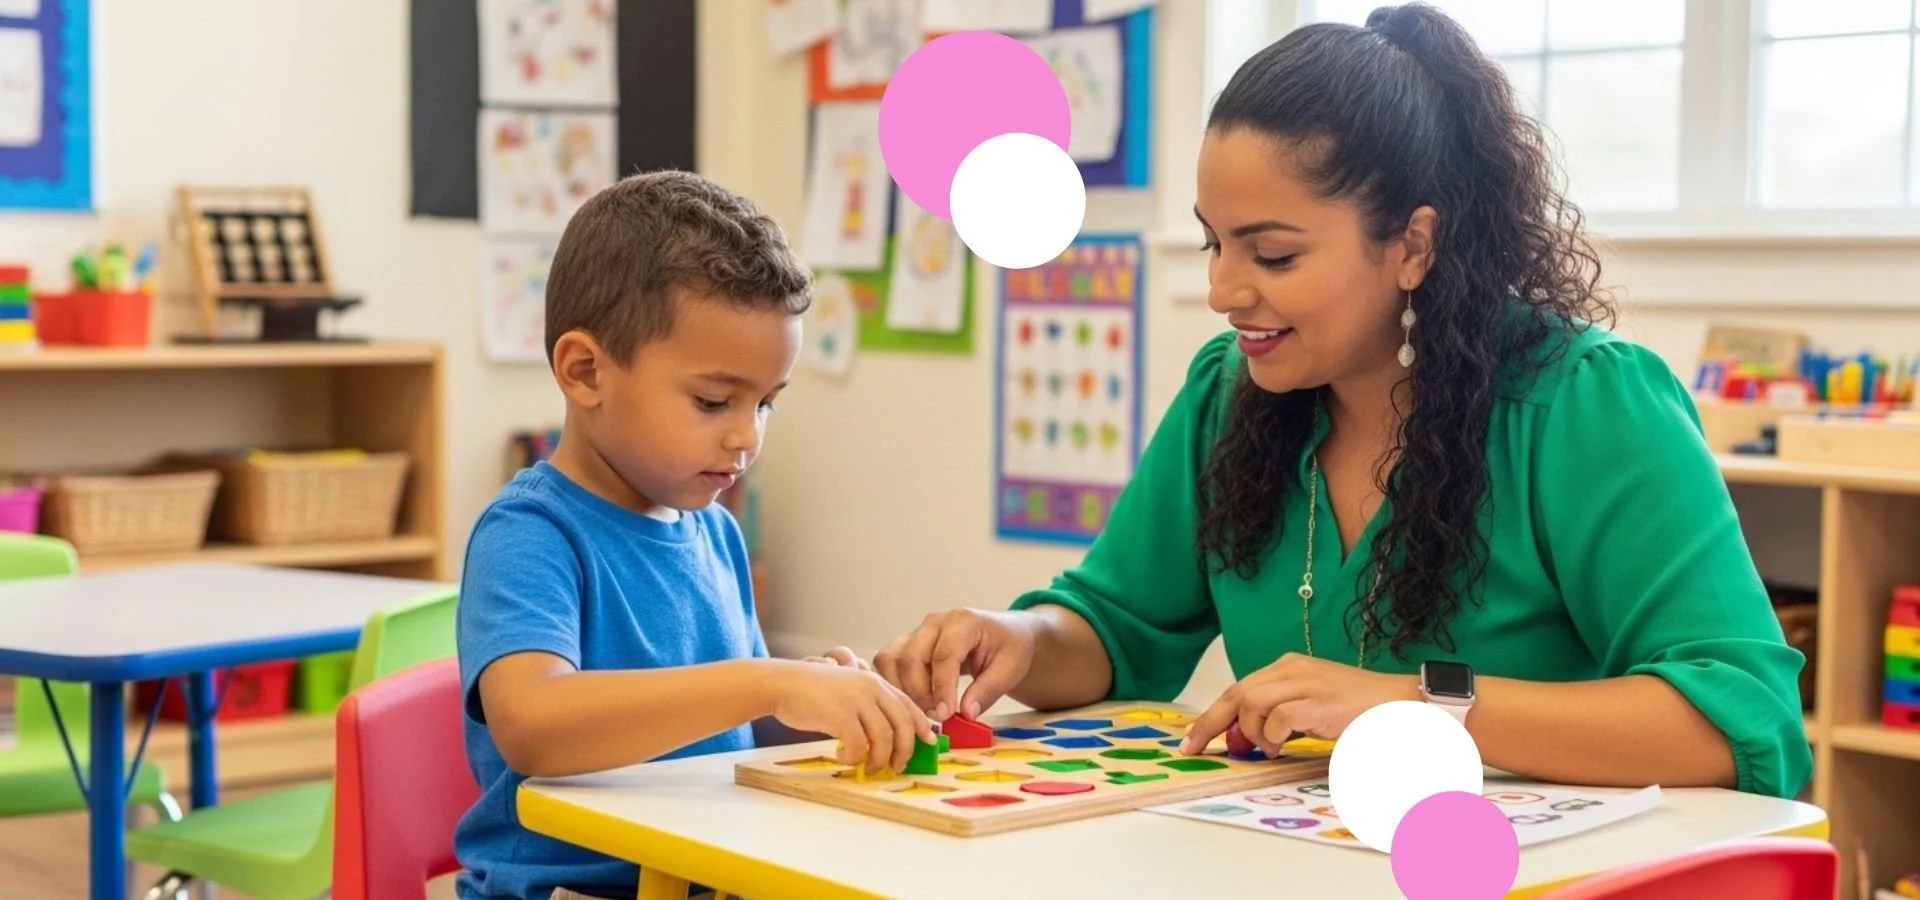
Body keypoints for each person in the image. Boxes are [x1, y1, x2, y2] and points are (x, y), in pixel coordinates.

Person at [875, 3, 1810, 800]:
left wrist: (1416, 706)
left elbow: (1741, 722)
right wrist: (1017, 637)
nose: (1224, 290)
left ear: (1412, 246)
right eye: (1213, 244)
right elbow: (1118, 629)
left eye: (1274, 254)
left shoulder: (1587, 404)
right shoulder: (1228, 393)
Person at [455, 171, 935, 900]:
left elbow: (726, 730)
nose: (747, 437)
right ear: (585, 371)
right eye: (714, 401)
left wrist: (815, 706)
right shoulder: (531, 533)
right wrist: (768, 681)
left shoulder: (715, 532)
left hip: (701, 876)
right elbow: (532, 726)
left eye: (766, 404)